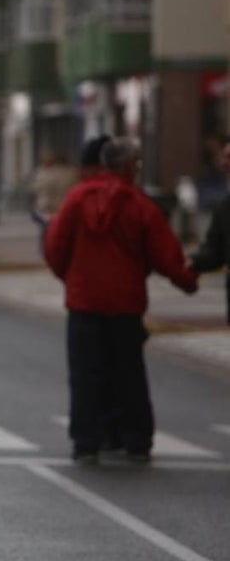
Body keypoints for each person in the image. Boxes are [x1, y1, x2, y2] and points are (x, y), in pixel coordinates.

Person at [43, 137, 197, 465]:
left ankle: (86, 443)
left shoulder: (77, 199)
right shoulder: (139, 205)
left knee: (85, 375)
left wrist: (71, 279)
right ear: (130, 166)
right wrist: (188, 281)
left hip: (84, 303)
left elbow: (55, 246)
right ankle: (136, 440)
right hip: (125, 304)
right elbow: (165, 253)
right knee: (129, 374)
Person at [189, 137, 230, 324]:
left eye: (229, 158)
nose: (224, 164)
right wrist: (188, 262)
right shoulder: (225, 207)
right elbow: (214, 253)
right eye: (223, 158)